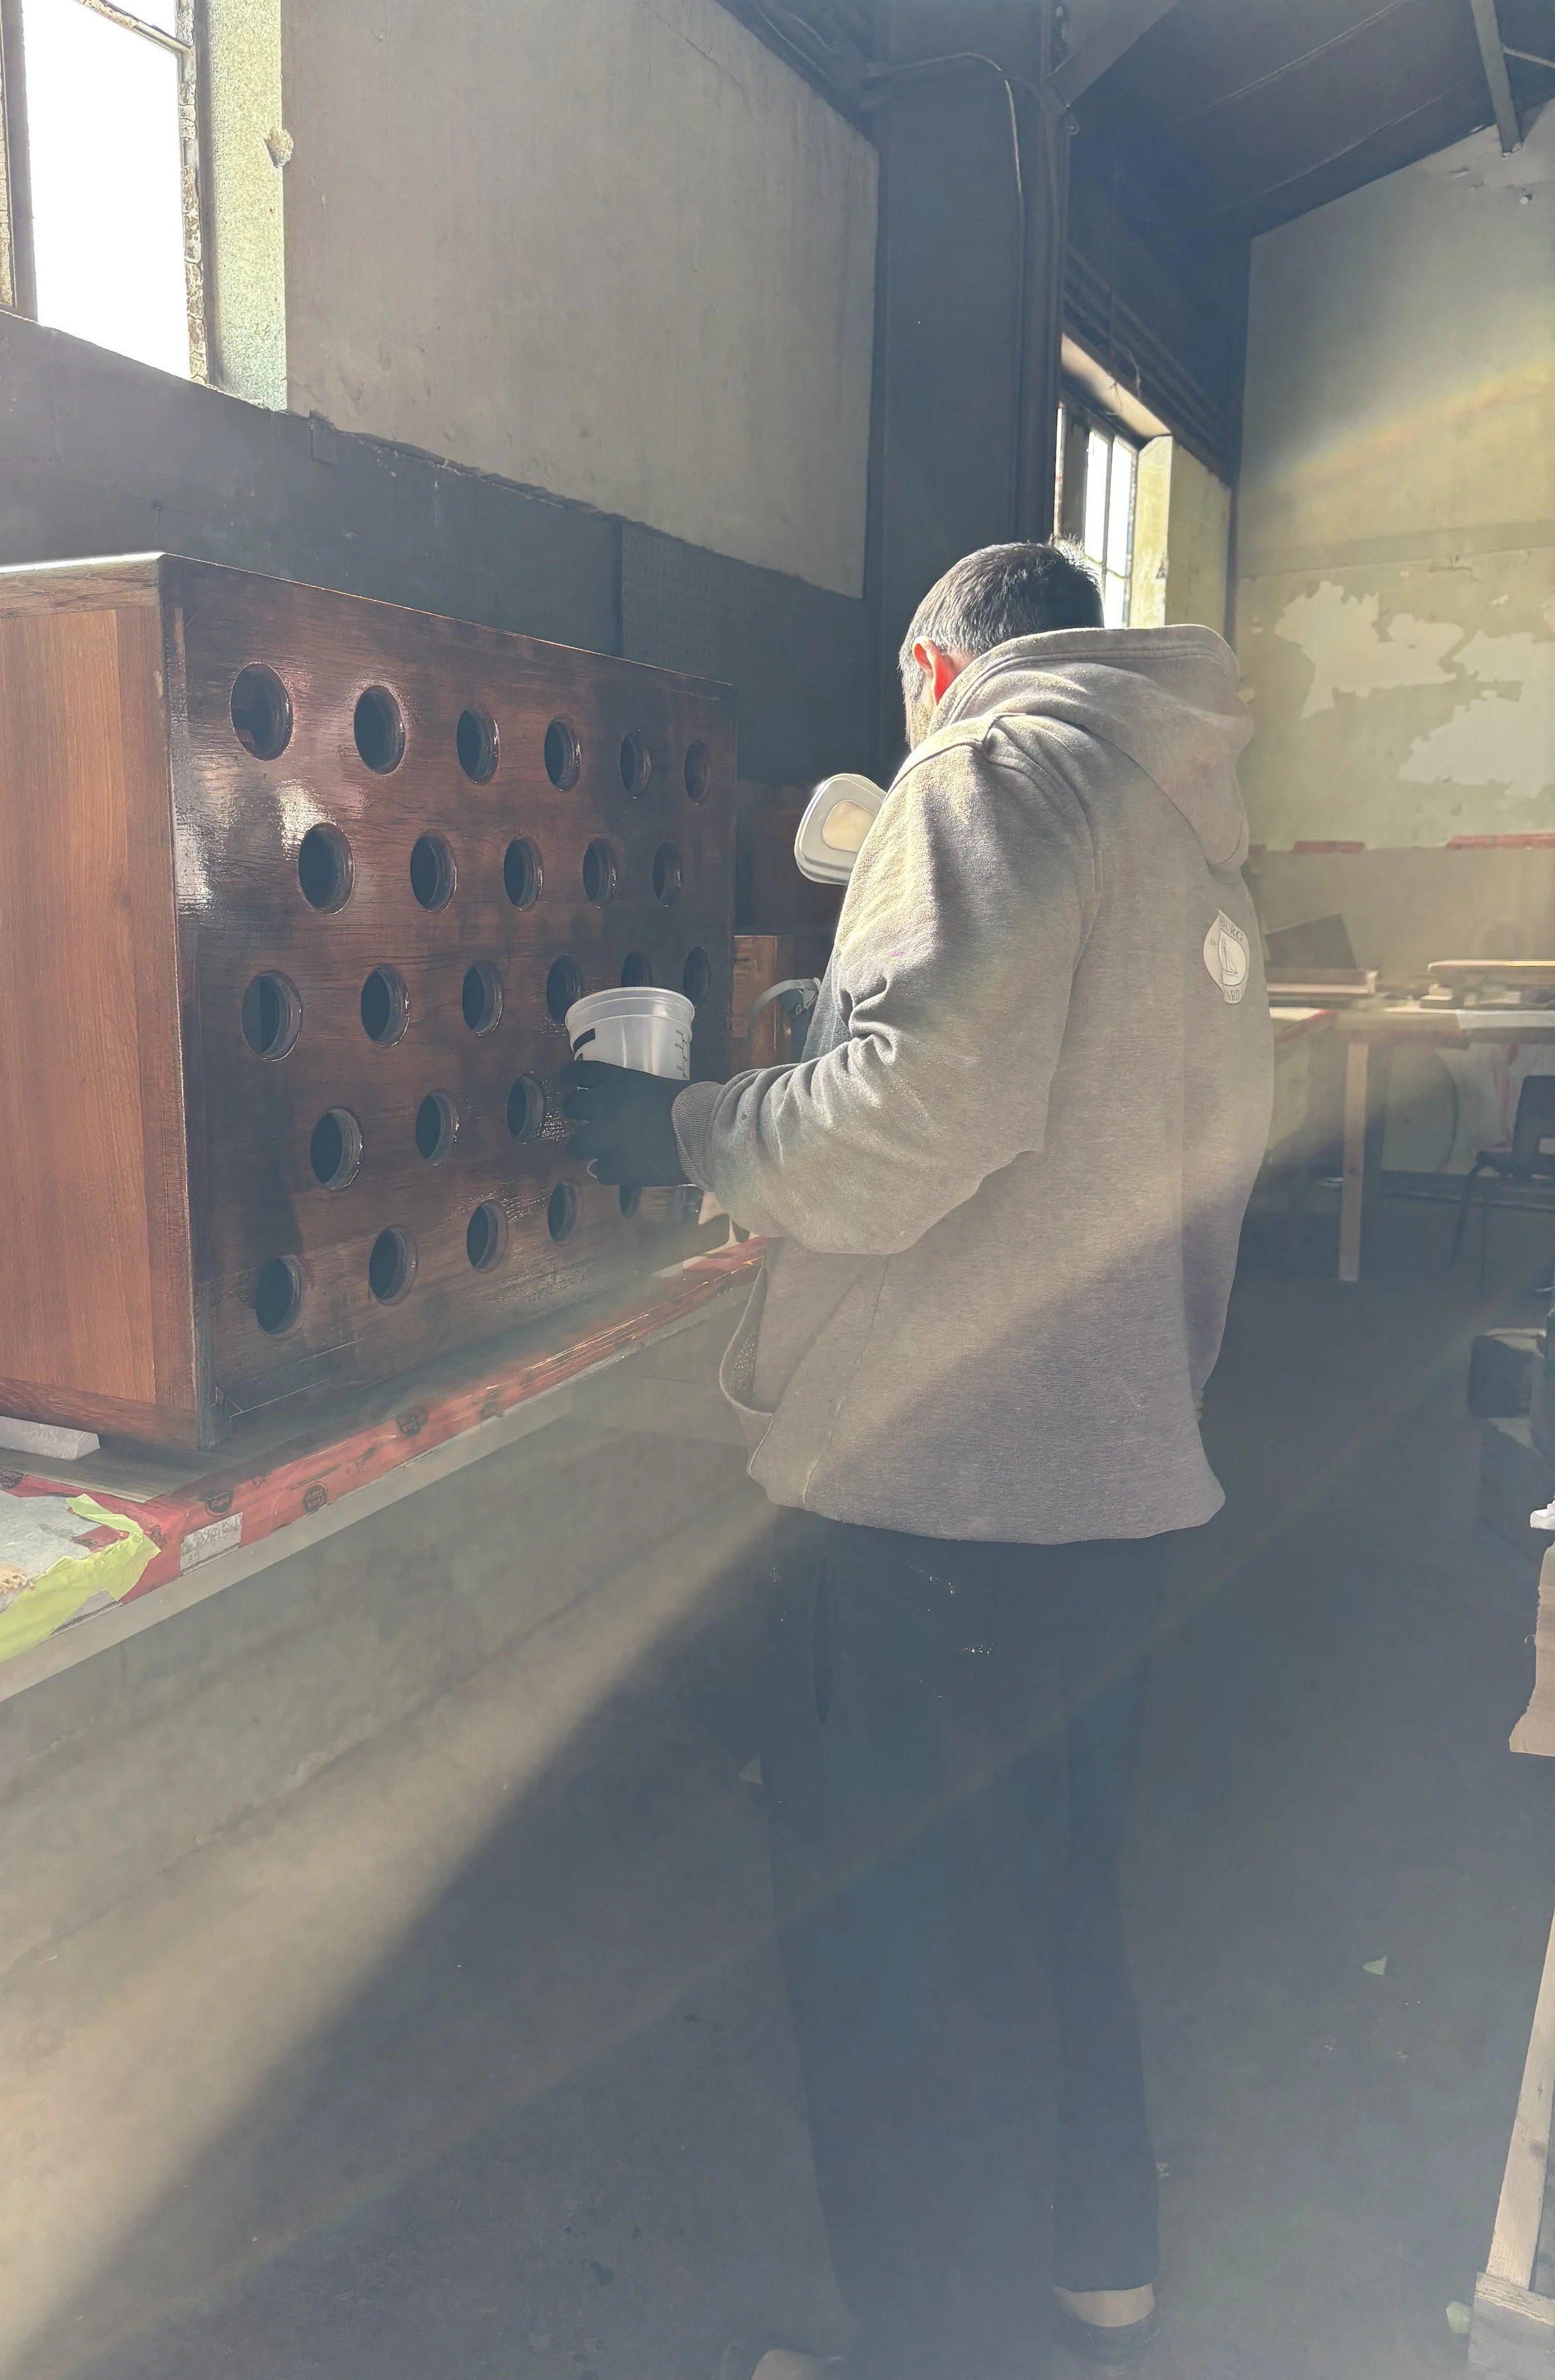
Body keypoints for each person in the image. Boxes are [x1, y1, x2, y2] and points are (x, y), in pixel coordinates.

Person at [564, 541, 1273, 2380]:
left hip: (936, 1492)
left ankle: (933, 2351)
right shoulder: (1181, 818)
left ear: (932, 670)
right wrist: (879, 851)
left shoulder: (988, 769)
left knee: (902, 1970)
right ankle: (1096, 2269)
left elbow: (897, 1128)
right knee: (1051, 1899)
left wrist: (686, 1131)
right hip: (1116, 1478)